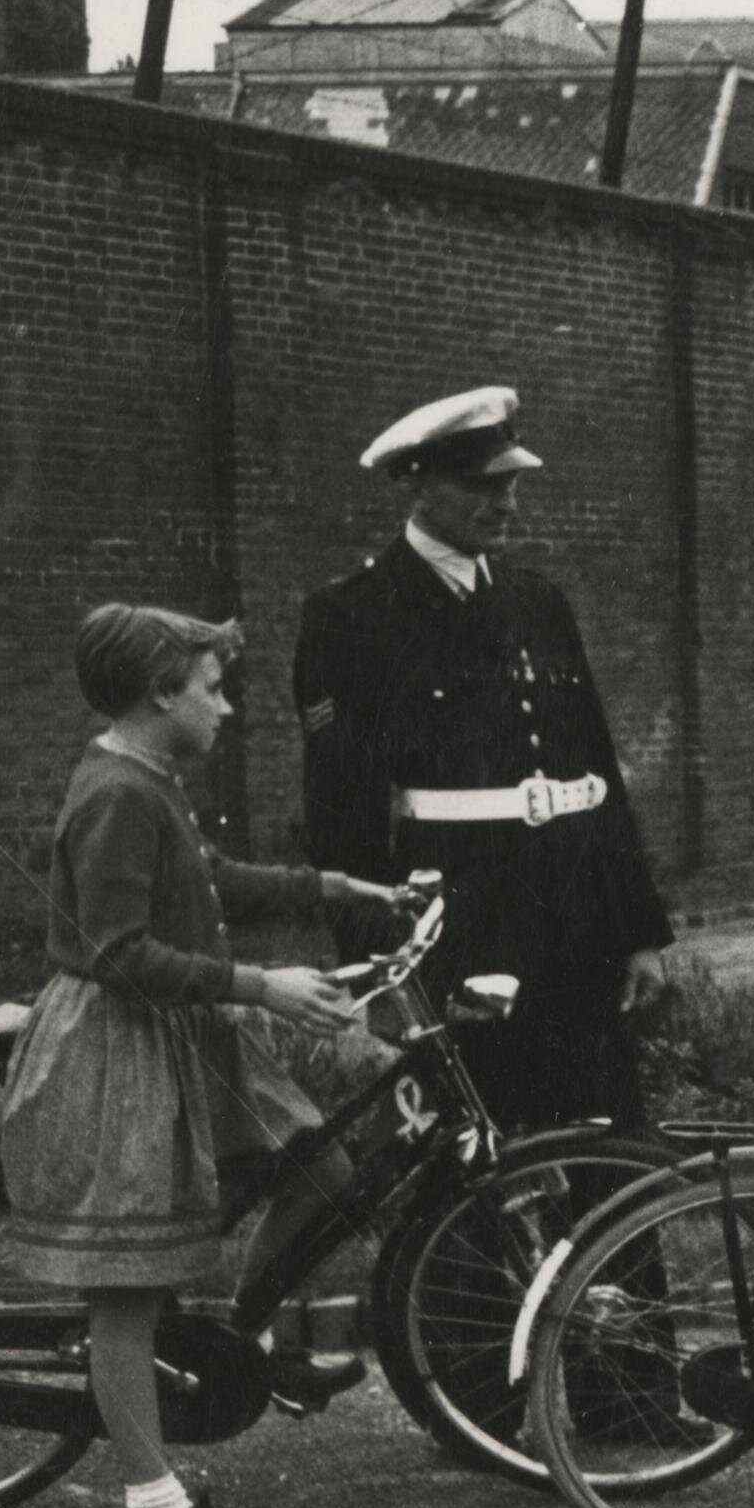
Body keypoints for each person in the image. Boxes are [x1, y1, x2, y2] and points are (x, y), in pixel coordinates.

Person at [3, 607, 408, 1508]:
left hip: (176, 1028)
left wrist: (337, 889)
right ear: (159, 695)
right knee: (128, 1289)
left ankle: (241, 1343)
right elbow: (115, 951)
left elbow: (208, 878)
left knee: (325, 1167)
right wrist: (258, 986)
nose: (226, 706)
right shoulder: (115, 792)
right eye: (212, 688)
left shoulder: (149, 780)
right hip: (121, 1042)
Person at [297, 386, 669, 1134]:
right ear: (419, 483)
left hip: (578, 917)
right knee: (476, 1168)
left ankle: (611, 1258)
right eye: (482, 485)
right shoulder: (354, 617)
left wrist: (638, 929)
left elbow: (594, 776)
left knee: (614, 1150)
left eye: (511, 483)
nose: (506, 503)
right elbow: (343, 810)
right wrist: (379, 967)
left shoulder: (539, 603)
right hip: (460, 928)